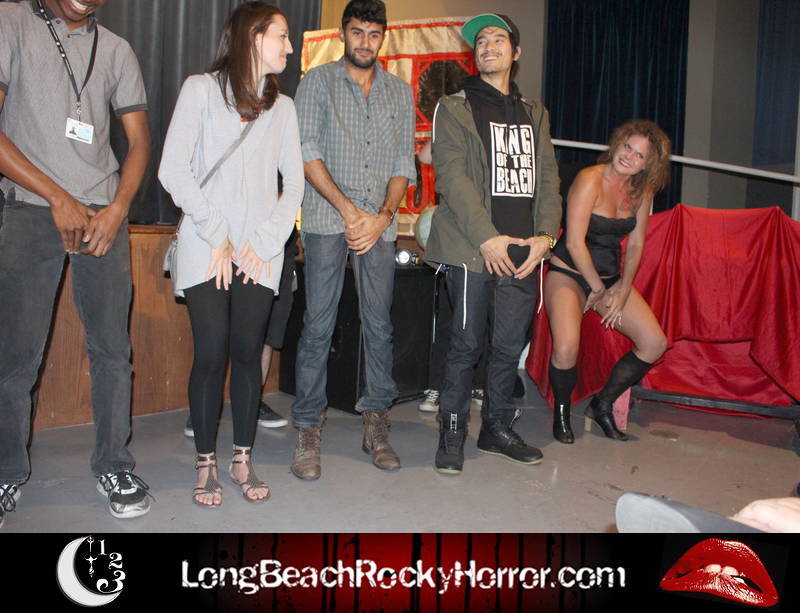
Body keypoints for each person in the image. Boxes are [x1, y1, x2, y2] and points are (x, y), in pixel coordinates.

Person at [0, 0, 152, 527]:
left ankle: (115, 465)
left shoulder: (117, 49)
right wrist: (56, 197)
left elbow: (139, 142)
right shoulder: (11, 21)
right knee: (15, 357)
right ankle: (5, 471)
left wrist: (118, 209)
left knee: (113, 351)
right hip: (30, 209)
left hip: (102, 216)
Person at [158, 1, 303, 507]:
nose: (290, 47)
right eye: (281, 36)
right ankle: (206, 464)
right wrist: (216, 229)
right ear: (253, 36)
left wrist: (265, 241)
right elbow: (172, 169)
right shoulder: (200, 90)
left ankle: (242, 458)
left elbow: (294, 186)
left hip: (259, 252)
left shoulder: (284, 108)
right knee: (211, 352)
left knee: (247, 353)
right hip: (207, 245)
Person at [424, 14, 562, 474]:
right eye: (480, 41)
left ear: (515, 52)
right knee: (465, 344)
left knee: (507, 347)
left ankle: (496, 429)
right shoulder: (454, 107)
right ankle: (452, 431)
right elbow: (452, 177)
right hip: (472, 248)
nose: (488, 46)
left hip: (523, 252)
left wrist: (545, 238)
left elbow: (549, 181)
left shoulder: (535, 113)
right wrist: (487, 238)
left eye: (498, 39)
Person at [290, 0, 416, 480]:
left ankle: (376, 426)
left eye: (374, 34)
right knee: (318, 326)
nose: (365, 42)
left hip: (379, 226)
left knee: (379, 325)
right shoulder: (317, 82)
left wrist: (382, 217)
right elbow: (306, 151)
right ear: (343, 33)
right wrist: (349, 212)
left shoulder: (398, 92)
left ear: (384, 37)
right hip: (327, 219)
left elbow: (403, 162)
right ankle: (308, 430)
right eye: (357, 32)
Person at [545, 120, 670, 444]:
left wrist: (623, 288)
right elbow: (574, 243)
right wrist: (598, 290)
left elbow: (637, 244)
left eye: (640, 155)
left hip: (610, 278)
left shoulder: (642, 190)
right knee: (566, 348)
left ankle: (602, 405)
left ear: (648, 165)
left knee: (655, 343)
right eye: (628, 146)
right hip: (568, 273)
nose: (629, 156)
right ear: (617, 143)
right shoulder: (590, 178)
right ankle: (561, 412)